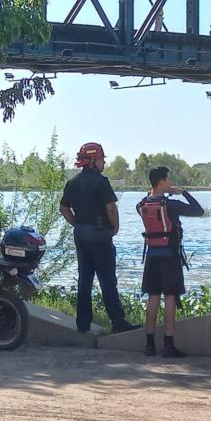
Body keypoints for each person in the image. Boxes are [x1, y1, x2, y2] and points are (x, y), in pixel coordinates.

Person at [59, 142, 136, 334]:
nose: (104, 163)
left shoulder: (72, 183)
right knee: (107, 279)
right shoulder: (101, 182)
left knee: (85, 279)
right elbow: (111, 208)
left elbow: (63, 208)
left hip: (81, 233)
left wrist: (77, 223)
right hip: (99, 233)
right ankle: (118, 322)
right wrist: (115, 228)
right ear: (93, 161)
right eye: (102, 159)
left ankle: (82, 323)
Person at [136, 166, 204, 357]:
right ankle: (168, 345)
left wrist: (152, 192)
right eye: (169, 180)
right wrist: (184, 193)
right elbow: (198, 211)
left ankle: (149, 345)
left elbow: (150, 207)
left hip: (151, 256)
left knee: (153, 298)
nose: (171, 183)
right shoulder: (171, 205)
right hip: (170, 257)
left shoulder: (141, 204)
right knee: (170, 298)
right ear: (162, 181)